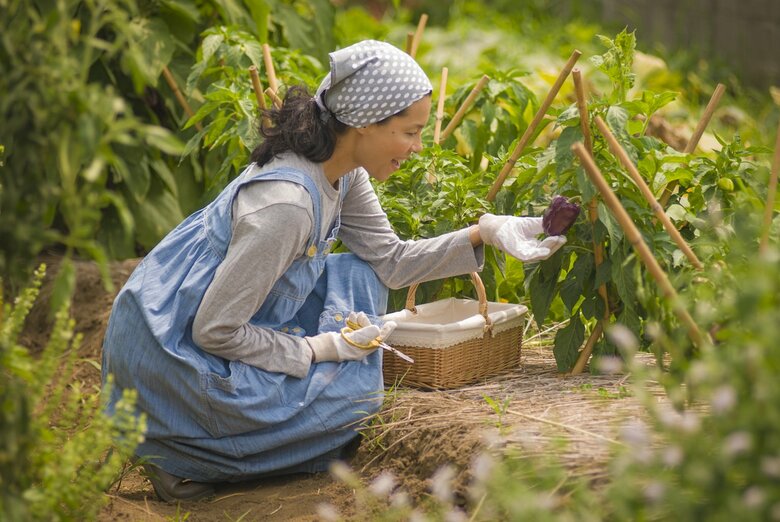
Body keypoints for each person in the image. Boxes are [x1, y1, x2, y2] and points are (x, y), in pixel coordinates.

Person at [101, 39, 566, 502]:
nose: (418, 147)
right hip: (173, 363)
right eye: (410, 132)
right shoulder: (287, 207)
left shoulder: (342, 172)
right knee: (355, 401)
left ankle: (223, 436)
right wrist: (319, 348)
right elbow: (214, 330)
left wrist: (486, 231)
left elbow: (391, 261)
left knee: (360, 276)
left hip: (205, 322)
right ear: (364, 122)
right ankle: (182, 456)